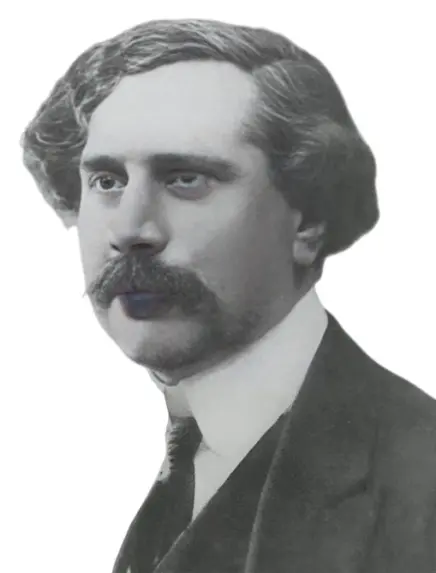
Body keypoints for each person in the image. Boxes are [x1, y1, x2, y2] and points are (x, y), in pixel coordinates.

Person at [21, 18, 436, 573]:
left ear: (307, 221)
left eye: (185, 179)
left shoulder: (419, 479)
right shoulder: (152, 451)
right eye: (107, 181)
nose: (131, 229)